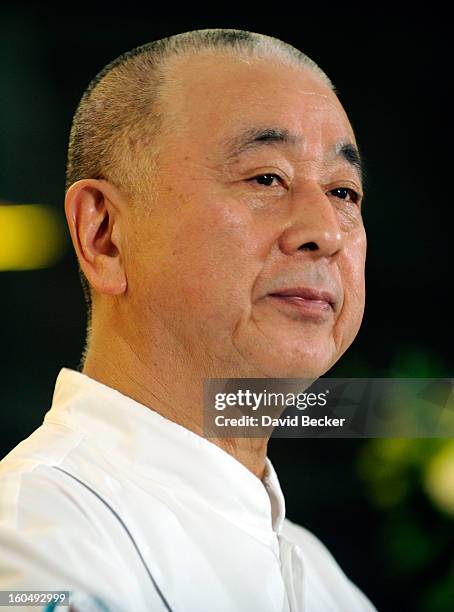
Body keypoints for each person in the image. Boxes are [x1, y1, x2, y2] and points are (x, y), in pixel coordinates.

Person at [0, 29, 375, 611]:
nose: (326, 231)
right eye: (266, 179)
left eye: (344, 192)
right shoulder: (34, 539)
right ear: (104, 236)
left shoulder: (322, 576)